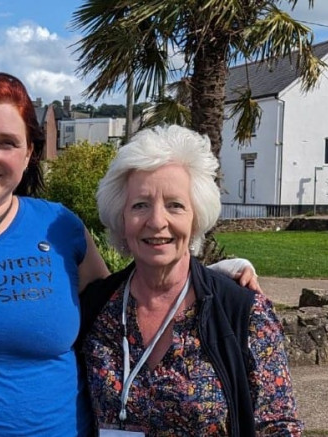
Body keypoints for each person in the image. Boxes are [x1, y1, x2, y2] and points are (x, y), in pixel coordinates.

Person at [0, 73, 258, 436]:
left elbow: (121, 303)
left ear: (28, 156)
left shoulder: (59, 228)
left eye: (7, 143)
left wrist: (210, 279)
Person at [78, 125, 301, 436]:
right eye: (140, 205)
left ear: (196, 218)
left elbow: (278, 427)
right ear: (122, 219)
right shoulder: (97, 308)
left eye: (175, 205)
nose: (157, 221)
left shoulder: (244, 312)